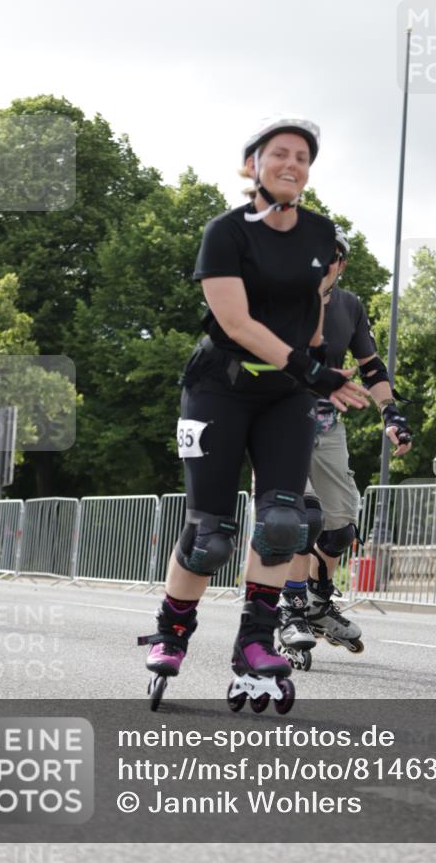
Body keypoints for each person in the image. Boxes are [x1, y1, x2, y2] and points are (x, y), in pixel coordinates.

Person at [138, 118, 371, 712]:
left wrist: (320, 370)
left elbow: (312, 316)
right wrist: (312, 369)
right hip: (220, 386)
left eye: (303, 157)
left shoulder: (319, 234)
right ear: (253, 165)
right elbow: (237, 323)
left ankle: (255, 642)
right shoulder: (225, 233)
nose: (292, 163)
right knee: (209, 535)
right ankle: (172, 632)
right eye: (279, 153)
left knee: (283, 524)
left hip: (288, 395)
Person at [277, 226, 412, 669]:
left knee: (339, 529)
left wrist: (391, 415)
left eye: (333, 256)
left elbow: (371, 367)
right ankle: (291, 608)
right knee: (302, 519)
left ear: (341, 263)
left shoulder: (350, 306)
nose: (325, 264)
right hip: (277, 423)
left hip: (327, 425)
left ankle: (318, 601)